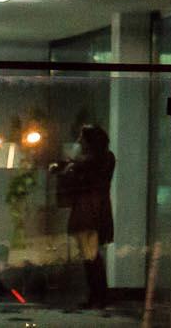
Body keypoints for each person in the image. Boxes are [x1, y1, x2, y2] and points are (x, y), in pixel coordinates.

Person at [54, 125, 117, 309]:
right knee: (92, 257)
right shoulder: (105, 159)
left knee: (91, 257)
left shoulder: (92, 162)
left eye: (82, 138)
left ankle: (98, 297)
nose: (79, 141)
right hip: (96, 211)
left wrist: (68, 169)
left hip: (88, 212)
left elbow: (80, 175)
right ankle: (98, 296)